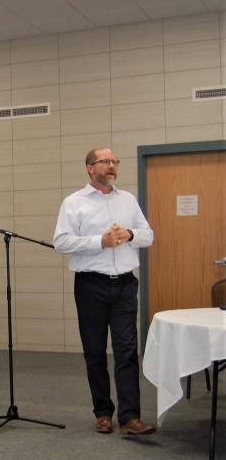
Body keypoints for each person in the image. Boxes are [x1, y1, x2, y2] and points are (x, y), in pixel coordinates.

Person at [53, 147, 155, 435]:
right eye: (105, 162)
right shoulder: (74, 202)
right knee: (95, 352)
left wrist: (130, 234)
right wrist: (101, 241)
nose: (112, 166)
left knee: (126, 351)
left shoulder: (128, 200)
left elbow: (148, 235)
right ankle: (103, 412)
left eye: (114, 162)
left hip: (124, 284)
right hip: (91, 285)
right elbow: (61, 241)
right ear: (89, 167)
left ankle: (130, 417)